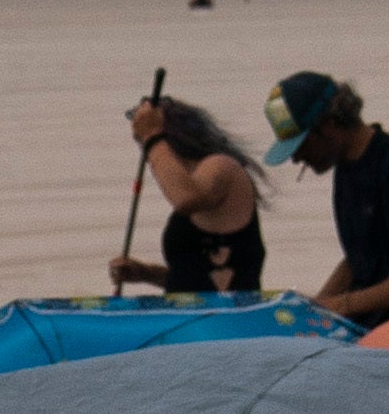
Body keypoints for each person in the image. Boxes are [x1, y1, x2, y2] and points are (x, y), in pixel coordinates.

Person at [266, 70, 389, 327]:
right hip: (371, 332)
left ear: (329, 125)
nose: (297, 159)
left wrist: (343, 305)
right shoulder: (347, 169)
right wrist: (315, 308)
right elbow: (361, 259)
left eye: (301, 145)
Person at [105, 94, 267, 295]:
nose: (149, 158)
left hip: (227, 319)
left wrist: (153, 137)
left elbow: (185, 198)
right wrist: (146, 273)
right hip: (198, 314)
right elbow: (198, 278)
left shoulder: (221, 167)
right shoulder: (197, 184)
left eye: (145, 148)